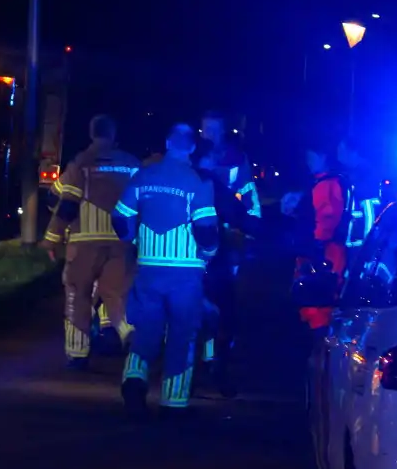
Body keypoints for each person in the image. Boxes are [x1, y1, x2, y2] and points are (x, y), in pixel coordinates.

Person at [112, 123, 220, 418]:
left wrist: (133, 241)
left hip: (149, 268)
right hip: (186, 274)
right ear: (192, 148)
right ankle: (173, 401)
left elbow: (120, 217)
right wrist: (209, 253)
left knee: (146, 329)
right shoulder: (197, 182)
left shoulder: (144, 176)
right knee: (183, 333)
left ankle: (134, 380)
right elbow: (206, 228)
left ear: (167, 142)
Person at [41, 115, 141, 369]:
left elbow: (62, 202)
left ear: (91, 133)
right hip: (122, 242)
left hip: (85, 242)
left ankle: (77, 354)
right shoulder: (132, 165)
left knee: (78, 293)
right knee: (117, 292)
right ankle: (128, 336)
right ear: (114, 134)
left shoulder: (81, 163)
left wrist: (52, 239)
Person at [193, 150, 259, 398]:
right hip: (211, 261)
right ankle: (218, 372)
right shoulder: (212, 184)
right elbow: (239, 215)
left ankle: (184, 376)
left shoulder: (174, 181)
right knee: (225, 316)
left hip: (176, 262)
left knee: (183, 321)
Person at [285, 142, 350, 332]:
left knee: (318, 299)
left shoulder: (327, 184)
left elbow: (326, 218)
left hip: (323, 253)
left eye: (311, 158)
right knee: (316, 298)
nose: (308, 162)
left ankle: (321, 344)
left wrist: (316, 246)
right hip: (320, 251)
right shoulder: (323, 182)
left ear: (323, 157)